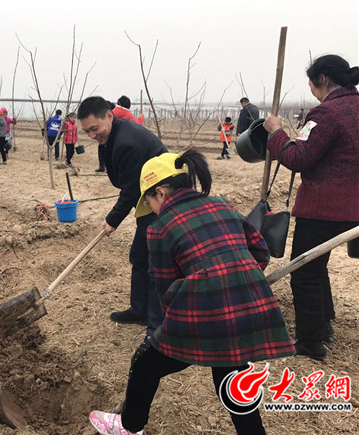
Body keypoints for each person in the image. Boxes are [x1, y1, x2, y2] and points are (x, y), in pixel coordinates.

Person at [89, 150, 295, 435]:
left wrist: (187, 310)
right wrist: (238, 277)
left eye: (149, 201)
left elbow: (165, 289)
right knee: (234, 384)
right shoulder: (223, 205)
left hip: (205, 313)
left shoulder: (160, 228)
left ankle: (129, 427)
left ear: (159, 192)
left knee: (144, 363)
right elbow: (260, 251)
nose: (151, 209)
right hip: (246, 311)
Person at [262, 54, 359, 361]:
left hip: (323, 207)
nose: (312, 90)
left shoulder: (326, 113)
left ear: (323, 81)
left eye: (311, 84)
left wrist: (276, 133)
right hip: (354, 210)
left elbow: (298, 158)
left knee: (306, 272)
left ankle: (310, 343)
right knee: (319, 267)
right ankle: (324, 324)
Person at [78, 96, 167, 333]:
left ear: (109, 115)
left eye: (94, 129)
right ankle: (139, 310)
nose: (91, 136)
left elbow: (130, 190)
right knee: (139, 256)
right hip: (148, 199)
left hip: (162, 202)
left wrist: (112, 220)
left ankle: (157, 319)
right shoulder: (116, 134)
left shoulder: (127, 142)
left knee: (153, 263)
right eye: (86, 131)